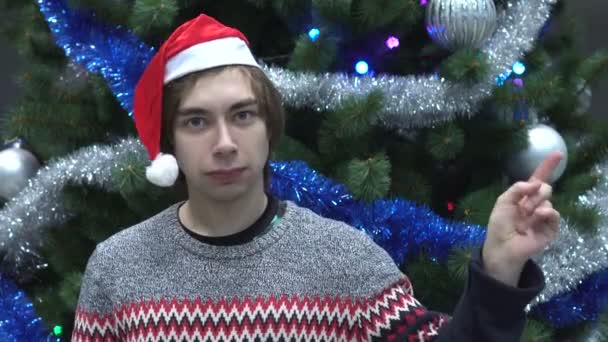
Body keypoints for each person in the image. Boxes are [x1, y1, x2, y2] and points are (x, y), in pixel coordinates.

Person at [72, 14, 562, 342]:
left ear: (269, 128)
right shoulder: (119, 268)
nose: (224, 142)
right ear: (170, 141)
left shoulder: (343, 259)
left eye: (242, 116)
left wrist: (499, 269)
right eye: (197, 121)